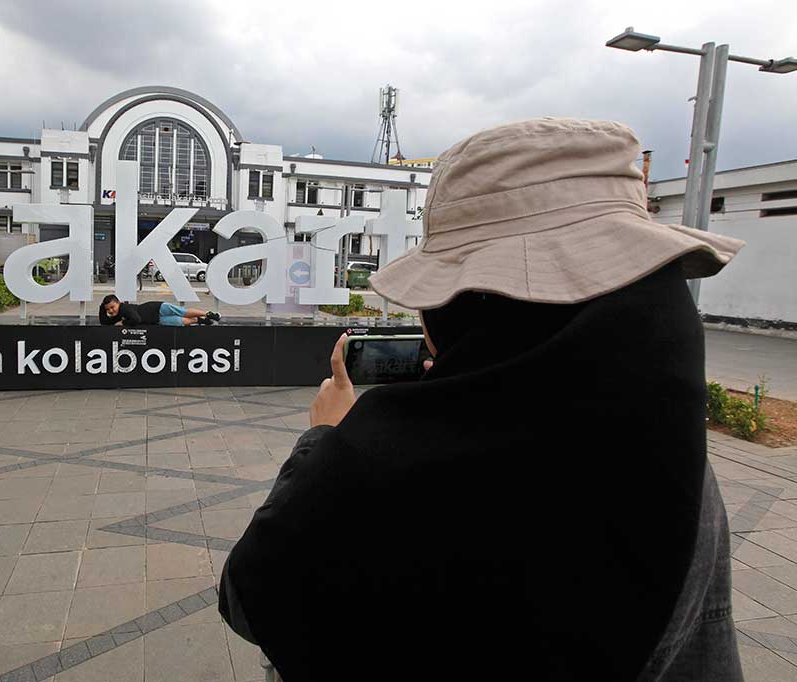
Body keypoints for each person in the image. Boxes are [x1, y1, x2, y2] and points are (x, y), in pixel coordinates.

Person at [219, 119, 746, 681]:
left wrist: (324, 441)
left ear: (462, 309)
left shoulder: (372, 468)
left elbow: (248, 597)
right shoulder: (672, 456)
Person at [98, 294, 220, 326]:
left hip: (157, 308)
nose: (111, 311)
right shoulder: (117, 314)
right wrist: (101, 308)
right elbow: (105, 322)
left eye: (112, 307)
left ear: (119, 303)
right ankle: (198, 320)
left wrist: (123, 322)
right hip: (155, 320)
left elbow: (136, 319)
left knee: (182, 312)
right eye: (108, 309)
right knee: (179, 322)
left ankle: (208, 314)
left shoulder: (124, 308)